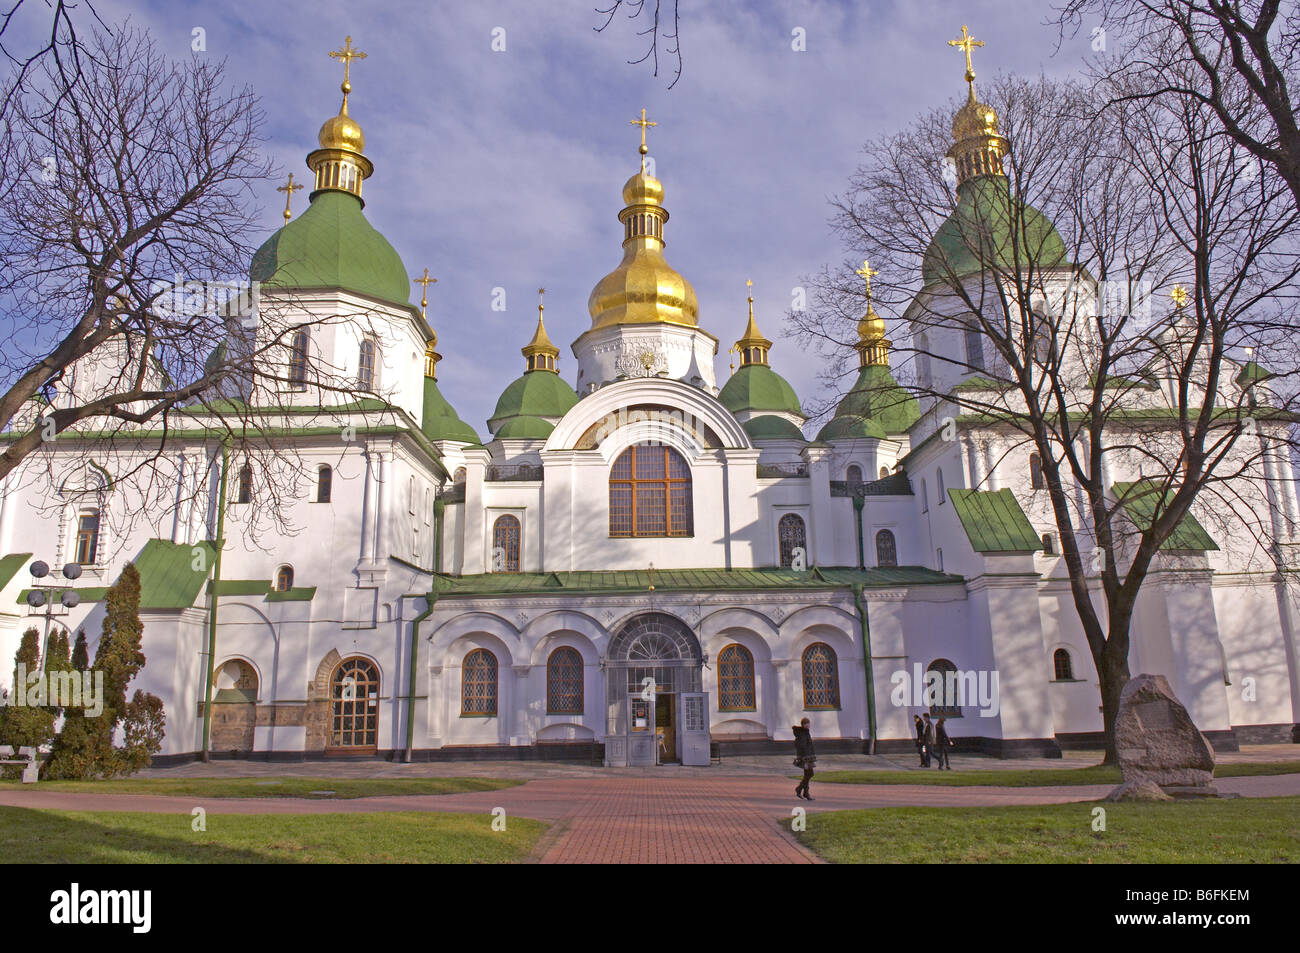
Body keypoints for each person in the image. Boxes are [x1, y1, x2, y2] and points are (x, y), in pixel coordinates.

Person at [793, 718, 816, 800]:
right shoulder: (802, 733)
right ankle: (799, 789)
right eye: (805, 724)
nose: (807, 725)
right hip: (806, 758)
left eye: (808, 723)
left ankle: (805, 792)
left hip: (809, 757)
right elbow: (801, 746)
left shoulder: (806, 732)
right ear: (802, 725)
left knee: (807, 775)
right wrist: (804, 757)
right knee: (810, 774)